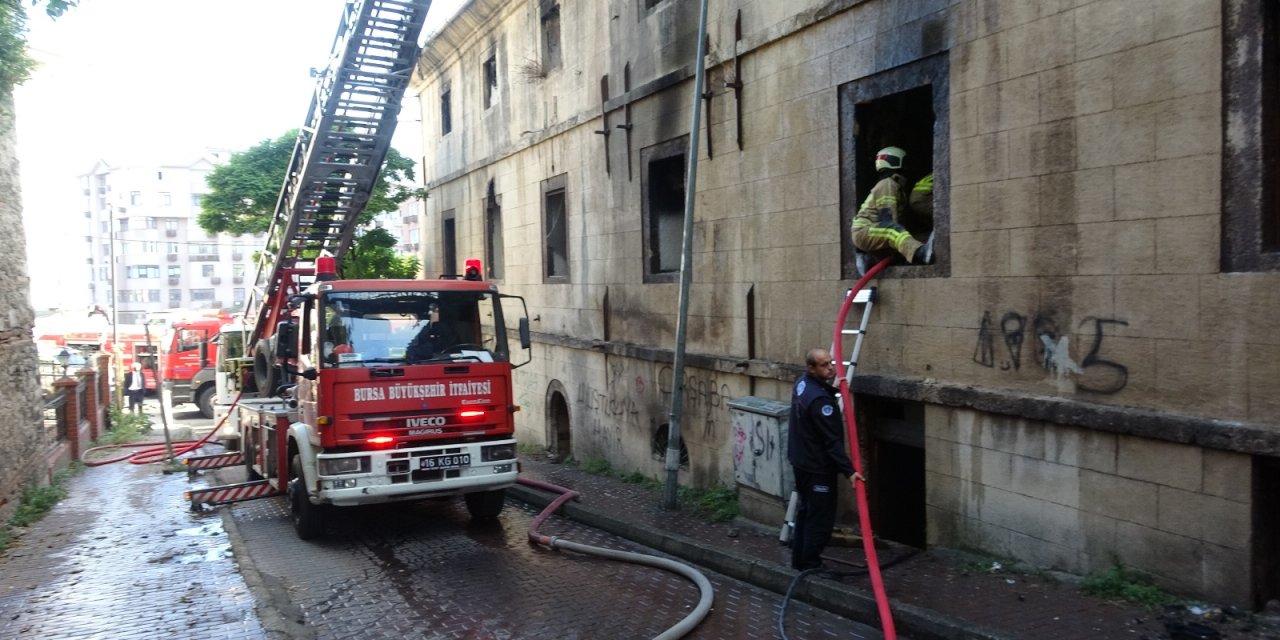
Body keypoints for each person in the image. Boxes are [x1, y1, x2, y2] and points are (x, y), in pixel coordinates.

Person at [787, 348, 861, 571]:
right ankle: (811, 564)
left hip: (800, 461)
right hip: (817, 468)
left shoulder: (802, 384)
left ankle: (799, 560)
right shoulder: (821, 401)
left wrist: (832, 389)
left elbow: (814, 399)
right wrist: (849, 471)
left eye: (830, 363)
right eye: (824, 365)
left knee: (805, 510)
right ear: (811, 368)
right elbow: (831, 441)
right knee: (819, 519)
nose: (830, 368)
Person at [851, 146, 934, 265]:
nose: (908, 167)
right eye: (905, 163)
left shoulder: (896, 186)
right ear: (897, 162)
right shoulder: (888, 184)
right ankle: (921, 253)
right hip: (863, 231)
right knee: (892, 230)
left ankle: (868, 260)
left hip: (871, 231)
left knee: (900, 233)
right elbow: (888, 218)